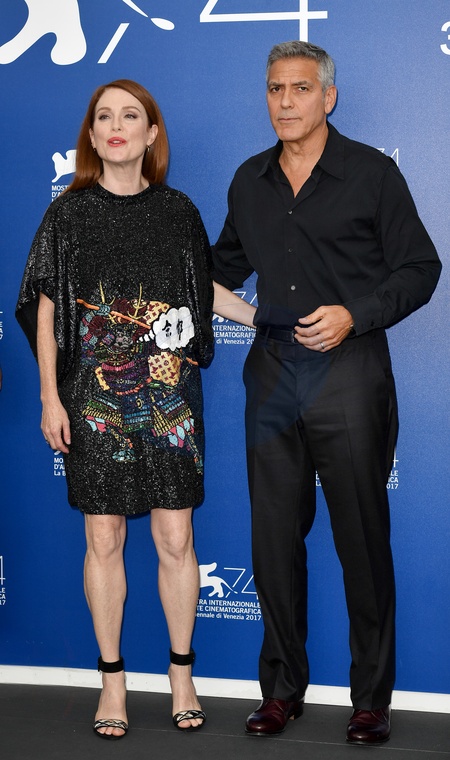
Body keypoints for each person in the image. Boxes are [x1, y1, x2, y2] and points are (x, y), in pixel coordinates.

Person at [211, 41, 441, 744]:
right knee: (274, 544)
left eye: (300, 88)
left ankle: (370, 699)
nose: (285, 101)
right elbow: (220, 265)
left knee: (362, 542)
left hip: (351, 374)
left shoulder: (372, 173)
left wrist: (355, 314)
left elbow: (420, 267)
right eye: (275, 88)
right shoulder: (249, 179)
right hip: (272, 378)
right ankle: (281, 690)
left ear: (328, 97)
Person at [16, 79, 215, 740]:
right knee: (103, 538)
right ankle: (112, 681)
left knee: (176, 538)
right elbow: (46, 310)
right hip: (92, 397)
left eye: (131, 115)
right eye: (104, 117)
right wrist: (50, 396)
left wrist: (264, 318)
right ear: (93, 136)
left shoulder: (179, 212)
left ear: (152, 134)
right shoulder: (67, 216)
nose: (116, 125)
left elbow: (202, 298)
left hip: (169, 396)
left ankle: (181, 676)